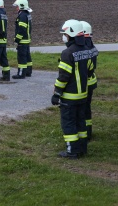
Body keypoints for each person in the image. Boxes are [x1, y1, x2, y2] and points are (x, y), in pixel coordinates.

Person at [51, 19, 95, 159]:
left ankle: (72, 151)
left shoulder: (67, 53)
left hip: (69, 97)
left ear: (71, 34)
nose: (64, 36)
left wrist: (57, 93)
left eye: (65, 34)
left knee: (69, 124)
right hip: (83, 95)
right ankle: (82, 149)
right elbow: (90, 70)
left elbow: (63, 77)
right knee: (81, 123)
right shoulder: (86, 51)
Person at [81, 20, 99, 141]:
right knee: (87, 108)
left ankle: (84, 133)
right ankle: (88, 132)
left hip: (84, 83)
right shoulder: (91, 46)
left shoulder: (84, 47)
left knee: (82, 109)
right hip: (91, 82)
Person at [12, 0, 33, 79]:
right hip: (27, 40)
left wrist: (17, 39)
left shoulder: (22, 15)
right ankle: (28, 71)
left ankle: (21, 74)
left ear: (21, 6)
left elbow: (22, 29)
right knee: (27, 56)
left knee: (21, 58)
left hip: (22, 40)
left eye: (17, 6)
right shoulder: (27, 14)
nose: (16, 8)